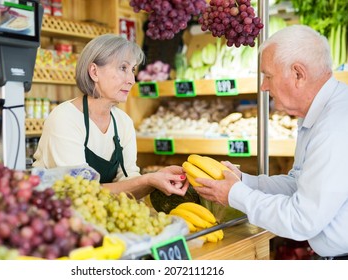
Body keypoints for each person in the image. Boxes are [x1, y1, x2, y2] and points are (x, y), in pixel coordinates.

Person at [193, 25, 348, 260]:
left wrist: (235, 195)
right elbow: (300, 184)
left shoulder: (335, 126)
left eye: (268, 76)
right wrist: (244, 181)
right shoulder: (319, 114)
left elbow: (302, 220)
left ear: (298, 74)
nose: (264, 87)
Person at [33, 34, 189, 199]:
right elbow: (78, 192)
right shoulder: (65, 119)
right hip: (55, 215)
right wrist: (148, 179)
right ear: (94, 72)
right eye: (123, 68)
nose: (131, 80)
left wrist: (155, 180)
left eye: (133, 70)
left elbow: (129, 184)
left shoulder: (123, 122)